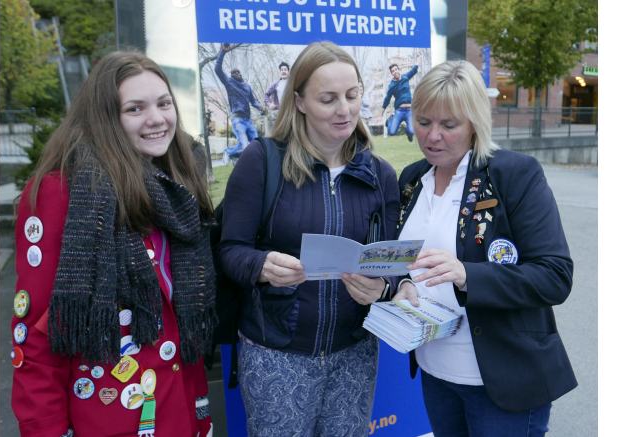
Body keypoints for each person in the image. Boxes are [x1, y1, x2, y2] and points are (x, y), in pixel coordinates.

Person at [10, 51, 217, 437]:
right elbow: (37, 337)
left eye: (164, 103)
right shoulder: (63, 194)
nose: (157, 119)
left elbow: (182, 325)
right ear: (106, 119)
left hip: (179, 410)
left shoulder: (176, 188)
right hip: (108, 418)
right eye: (135, 108)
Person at [217, 41, 401, 437]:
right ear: (298, 101)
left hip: (354, 353)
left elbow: (393, 265)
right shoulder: (262, 160)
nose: (345, 110)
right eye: (328, 99)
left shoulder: (380, 174)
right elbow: (229, 250)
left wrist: (383, 286)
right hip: (275, 355)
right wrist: (261, 266)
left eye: (352, 96)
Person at [393, 60, 577, 437]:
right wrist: (401, 284)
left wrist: (467, 275)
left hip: (503, 380)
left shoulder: (514, 174)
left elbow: (555, 276)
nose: (432, 136)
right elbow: (407, 259)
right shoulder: (413, 178)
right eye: (424, 121)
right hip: (435, 372)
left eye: (449, 125)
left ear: (475, 122)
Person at [215, 43, 266, 162]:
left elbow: (253, 100)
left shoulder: (247, 87)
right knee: (244, 146)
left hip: (248, 121)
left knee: (257, 146)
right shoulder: (229, 83)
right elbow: (217, 69)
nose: (237, 74)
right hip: (238, 120)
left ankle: (236, 156)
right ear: (231, 75)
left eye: (238, 72)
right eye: (234, 73)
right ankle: (228, 151)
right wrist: (223, 52)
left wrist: (260, 107)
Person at [382, 50, 422, 142]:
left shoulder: (405, 77)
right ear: (391, 74)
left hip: (409, 110)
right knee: (391, 132)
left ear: (398, 70)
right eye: (392, 71)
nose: (395, 72)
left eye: (396, 69)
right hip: (399, 111)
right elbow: (387, 99)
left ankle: (409, 132)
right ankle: (391, 119)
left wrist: (419, 57)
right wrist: (382, 112)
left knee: (412, 131)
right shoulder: (392, 85)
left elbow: (415, 69)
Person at [264, 61, 290, 133]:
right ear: (280, 72)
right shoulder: (275, 84)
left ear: (288, 71)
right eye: (282, 70)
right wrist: (269, 104)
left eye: (285, 69)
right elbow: (266, 94)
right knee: (280, 132)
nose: (283, 71)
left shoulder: (292, 83)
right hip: (280, 111)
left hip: (291, 111)